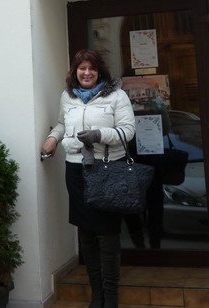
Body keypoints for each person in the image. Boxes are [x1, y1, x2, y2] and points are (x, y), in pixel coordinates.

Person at [42, 49, 135, 308]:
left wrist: (99, 135)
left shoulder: (116, 96)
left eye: (91, 68)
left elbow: (128, 131)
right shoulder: (68, 96)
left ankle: (111, 296)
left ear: (99, 71)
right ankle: (97, 294)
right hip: (76, 170)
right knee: (86, 232)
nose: (86, 73)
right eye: (82, 68)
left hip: (108, 169)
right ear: (75, 72)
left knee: (107, 233)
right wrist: (52, 138)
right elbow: (62, 124)